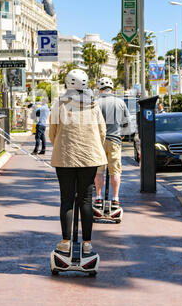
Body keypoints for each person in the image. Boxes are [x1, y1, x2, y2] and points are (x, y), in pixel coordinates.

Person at [49, 69, 107, 254]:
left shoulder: (59, 104)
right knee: (86, 200)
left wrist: (61, 146)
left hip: (64, 157)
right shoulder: (94, 105)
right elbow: (102, 132)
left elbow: (52, 132)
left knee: (66, 199)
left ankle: (65, 242)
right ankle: (87, 243)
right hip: (89, 158)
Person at [94, 77, 131, 209]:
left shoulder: (95, 102)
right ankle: (115, 199)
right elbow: (127, 123)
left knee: (99, 171)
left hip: (98, 142)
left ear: (100, 88)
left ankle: (98, 198)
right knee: (115, 171)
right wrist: (122, 135)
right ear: (112, 88)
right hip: (115, 140)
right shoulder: (120, 102)